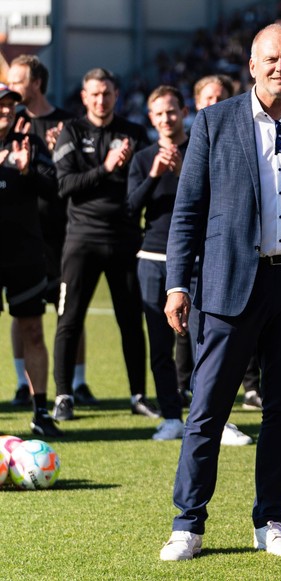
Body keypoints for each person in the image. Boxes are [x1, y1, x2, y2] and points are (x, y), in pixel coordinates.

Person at [158, 23, 281, 561]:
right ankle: (188, 523)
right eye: (271, 59)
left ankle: (271, 521)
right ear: (253, 65)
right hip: (230, 283)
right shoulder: (214, 122)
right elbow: (187, 211)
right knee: (208, 410)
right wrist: (175, 285)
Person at [51, 67, 156, 422]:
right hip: (82, 240)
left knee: (131, 321)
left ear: (116, 95)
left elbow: (146, 182)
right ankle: (64, 395)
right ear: (84, 97)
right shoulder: (72, 131)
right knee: (70, 320)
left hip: (126, 239)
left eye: (106, 93)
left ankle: (138, 395)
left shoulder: (135, 133)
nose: (100, 99)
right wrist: (107, 168)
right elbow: (65, 186)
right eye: (94, 93)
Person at [173, 73, 257, 446]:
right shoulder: (196, 139)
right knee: (200, 348)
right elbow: (186, 210)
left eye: (221, 96)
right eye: (208, 97)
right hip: (202, 265)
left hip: (240, 262)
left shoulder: (248, 136)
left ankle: (235, 404)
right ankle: (197, 415)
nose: (215, 103)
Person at [6, 55, 89, 409]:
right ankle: (22, 383)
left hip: (55, 234)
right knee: (23, 315)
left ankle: (76, 383)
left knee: (66, 310)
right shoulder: (15, 123)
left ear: (36, 82)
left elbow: (70, 179)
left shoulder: (63, 124)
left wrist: (53, 155)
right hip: (19, 238)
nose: (10, 91)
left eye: (16, 83)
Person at [126, 85, 189, 441]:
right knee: (160, 347)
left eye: (171, 111)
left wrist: (183, 172)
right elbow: (131, 208)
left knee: (204, 344)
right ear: (151, 119)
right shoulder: (142, 157)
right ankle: (171, 418)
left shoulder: (199, 149)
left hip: (194, 259)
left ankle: (212, 420)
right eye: (159, 114)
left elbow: (213, 200)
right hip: (152, 258)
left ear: (183, 111)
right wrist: (153, 174)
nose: (166, 118)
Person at [0, 83, 62, 438]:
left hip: (24, 255)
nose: (6, 112)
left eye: (10, 107)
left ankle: (41, 411)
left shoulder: (30, 144)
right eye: (0, 107)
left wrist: (27, 170)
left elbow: (54, 190)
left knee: (33, 332)